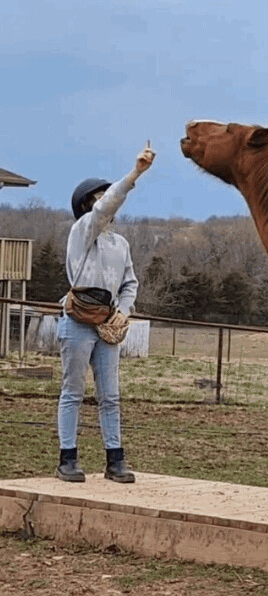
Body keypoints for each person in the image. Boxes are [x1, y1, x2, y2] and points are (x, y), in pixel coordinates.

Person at [56, 143, 156, 483]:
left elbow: (130, 283)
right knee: (72, 391)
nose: (106, 203)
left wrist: (123, 313)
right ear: (87, 205)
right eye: (99, 198)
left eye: (105, 196)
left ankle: (115, 460)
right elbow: (106, 208)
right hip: (78, 319)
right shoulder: (82, 231)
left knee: (110, 395)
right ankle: (67, 458)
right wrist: (135, 174)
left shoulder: (120, 244)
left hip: (106, 320)